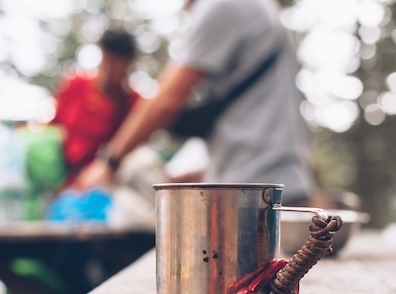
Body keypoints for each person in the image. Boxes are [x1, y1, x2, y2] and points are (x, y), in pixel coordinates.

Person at [74, 0, 317, 206]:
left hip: (252, 193)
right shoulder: (261, 7)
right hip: (277, 183)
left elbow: (167, 100)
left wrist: (109, 161)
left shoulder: (222, 5)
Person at [50, 27, 140, 187]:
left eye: (117, 63)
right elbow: (53, 127)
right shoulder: (76, 85)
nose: (109, 70)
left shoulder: (133, 103)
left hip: (102, 186)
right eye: (106, 60)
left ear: (128, 65)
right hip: (61, 179)